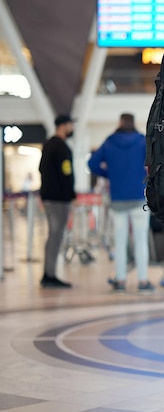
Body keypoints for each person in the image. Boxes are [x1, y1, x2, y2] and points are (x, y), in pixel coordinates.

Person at [88, 113, 154, 292]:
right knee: (141, 242)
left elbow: (92, 163)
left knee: (120, 241)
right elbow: (153, 163)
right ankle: (143, 281)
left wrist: (109, 175)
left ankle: (121, 280)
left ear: (119, 123)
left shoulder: (109, 142)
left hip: (117, 199)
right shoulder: (142, 141)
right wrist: (144, 177)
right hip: (138, 198)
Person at [39, 113, 76, 288]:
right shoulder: (61, 147)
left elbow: (41, 169)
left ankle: (49, 272)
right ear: (63, 125)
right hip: (58, 199)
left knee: (53, 235)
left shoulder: (48, 145)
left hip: (48, 196)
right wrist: (71, 194)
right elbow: (66, 172)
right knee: (55, 235)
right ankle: (50, 275)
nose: (72, 128)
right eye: (70, 124)